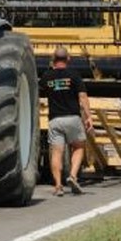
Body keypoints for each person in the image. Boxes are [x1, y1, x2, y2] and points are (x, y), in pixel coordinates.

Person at [39, 45, 93, 196]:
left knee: (56, 153)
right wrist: (88, 116)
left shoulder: (47, 77)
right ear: (68, 59)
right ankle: (73, 176)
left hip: (55, 120)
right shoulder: (74, 75)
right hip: (73, 118)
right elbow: (82, 97)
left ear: (53, 60)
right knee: (78, 147)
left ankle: (58, 186)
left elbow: (39, 92)